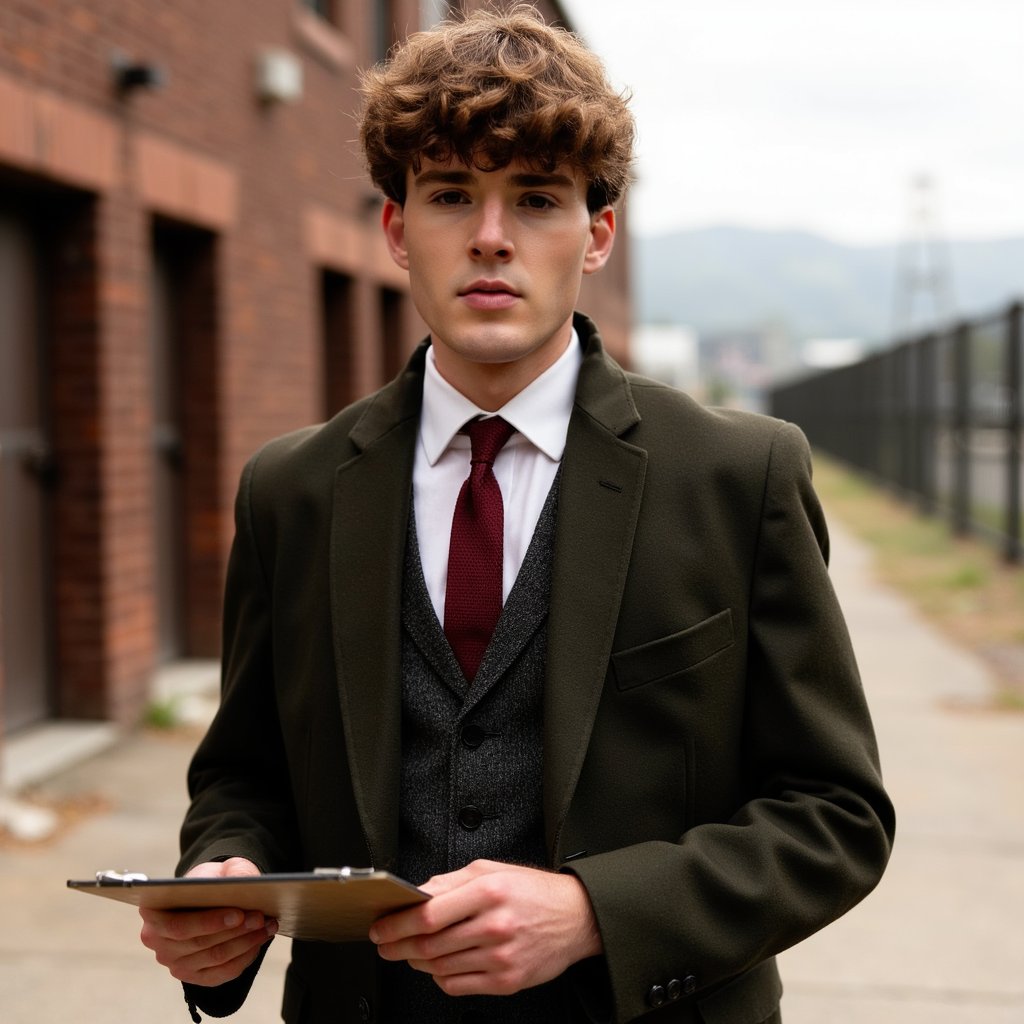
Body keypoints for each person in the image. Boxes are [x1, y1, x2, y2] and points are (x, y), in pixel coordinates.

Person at [140, 7, 894, 1023]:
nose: (490, 237)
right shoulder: (292, 488)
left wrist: (594, 911)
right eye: (452, 194)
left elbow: (835, 815)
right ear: (398, 229)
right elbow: (245, 771)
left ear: (595, 235)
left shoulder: (736, 474)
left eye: (535, 199)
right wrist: (223, 877)